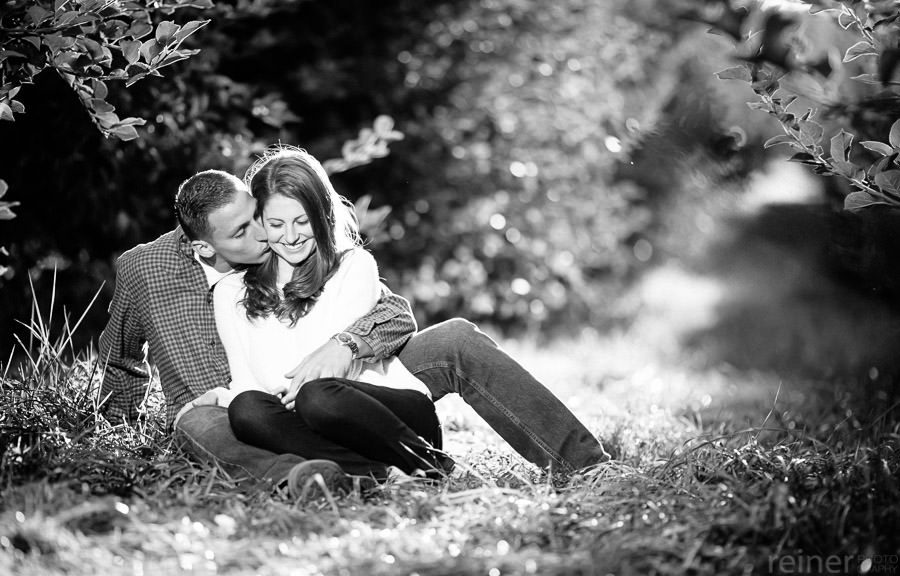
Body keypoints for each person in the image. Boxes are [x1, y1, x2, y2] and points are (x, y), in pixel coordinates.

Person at [98, 148, 608, 497]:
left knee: (452, 338)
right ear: (204, 246)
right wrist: (113, 430)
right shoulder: (150, 270)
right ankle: (318, 480)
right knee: (226, 414)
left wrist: (346, 343)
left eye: (266, 218)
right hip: (232, 405)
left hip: (353, 387)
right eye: (252, 227)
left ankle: (584, 464)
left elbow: (392, 313)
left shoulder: (319, 257)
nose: (267, 234)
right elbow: (119, 354)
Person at [206, 148, 452, 479]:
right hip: (312, 427)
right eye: (276, 224)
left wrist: (289, 390)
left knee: (318, 397)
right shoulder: (230, 292)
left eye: (302, 221)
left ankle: (428, 462)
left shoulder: (353, 265)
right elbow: (247, 382)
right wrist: (222, 399)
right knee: (247, 408)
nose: (290, 237)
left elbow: (335, 372)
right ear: (259, 223)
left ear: (321, 215)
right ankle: (380, 475)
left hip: (386, 415)